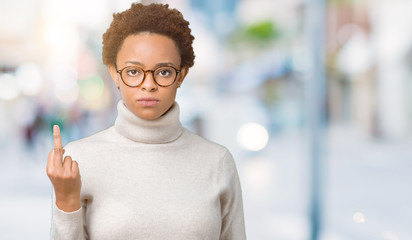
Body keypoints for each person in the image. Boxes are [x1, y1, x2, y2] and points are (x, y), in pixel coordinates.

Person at [46, 3, 246, 240]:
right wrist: (66, 201)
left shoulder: (217, 162)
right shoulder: (78, 160)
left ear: (181, 75)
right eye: (133, 71)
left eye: (163, 71)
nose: (148, 84)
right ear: (114, 73)